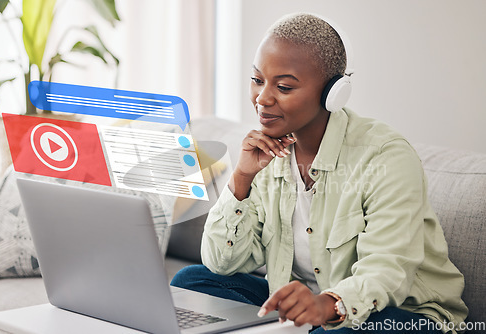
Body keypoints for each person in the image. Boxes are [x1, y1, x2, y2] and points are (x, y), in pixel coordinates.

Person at [171, 13, 468, 333]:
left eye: (283, 86)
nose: (262, 99)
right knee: (190, 282)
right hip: (307, 313)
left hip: (400, 313)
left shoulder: (385, 156)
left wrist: (325, 305)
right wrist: (242, 178)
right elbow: (222, 262)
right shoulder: (268, 155)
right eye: (257, 80)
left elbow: (386, 273)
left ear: (333, 93)